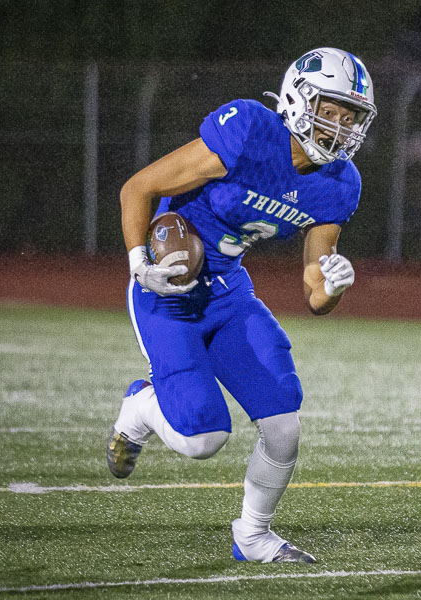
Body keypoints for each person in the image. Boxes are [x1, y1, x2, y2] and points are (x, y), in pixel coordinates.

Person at [106, 47, 377, 563]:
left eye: (351, 117)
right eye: (331, 110)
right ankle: (140, 407)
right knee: (202, 438)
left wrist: (335, 284)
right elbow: (138, 186)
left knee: (283, 426)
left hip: (230, 292)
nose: (340, 128)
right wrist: (141, 264)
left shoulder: (339, 183)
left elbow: (314, 293)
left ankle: (252, 536)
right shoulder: (250, 129)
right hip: (170, 288)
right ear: (299, 99)